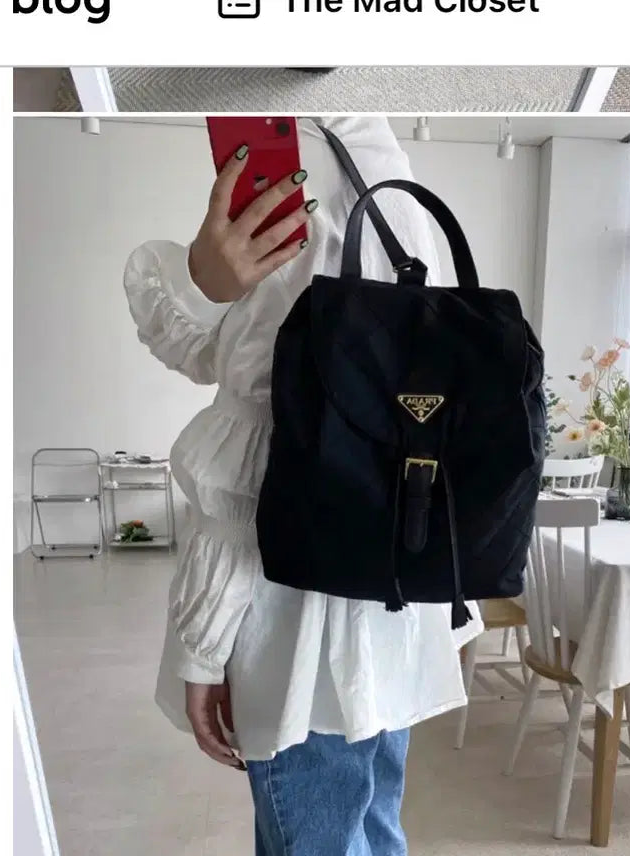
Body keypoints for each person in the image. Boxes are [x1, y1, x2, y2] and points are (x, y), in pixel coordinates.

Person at [123, 116, 483, 856]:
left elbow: (252, 462)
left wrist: (203, 647)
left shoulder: (306, 170)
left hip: (302, 635)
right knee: (375, 827)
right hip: (397, 601)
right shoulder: (391, 175)